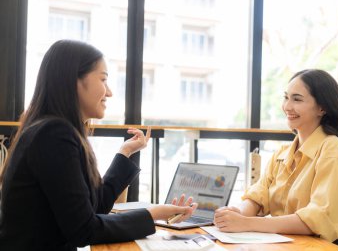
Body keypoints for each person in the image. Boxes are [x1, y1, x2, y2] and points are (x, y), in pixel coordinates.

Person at [0, 40, 196, 251]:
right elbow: (84, 229)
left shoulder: (53, 130)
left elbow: (95, 208)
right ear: (74, 80)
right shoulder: (54, 134)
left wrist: (125, 152)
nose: (109, 92)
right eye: (103, 79)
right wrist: (153, 215)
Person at [214, 69, 338, 246]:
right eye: (286, 97)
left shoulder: (332, 147)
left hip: (326, 247)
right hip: (292, 244)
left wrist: (247, 223)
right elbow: (258, 196)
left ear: (322, 108)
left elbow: (317, 218)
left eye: (297, 99)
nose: (287, 106)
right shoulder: (282, 153)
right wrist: (238, 213)